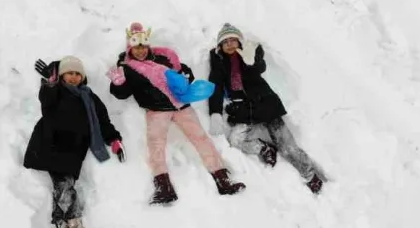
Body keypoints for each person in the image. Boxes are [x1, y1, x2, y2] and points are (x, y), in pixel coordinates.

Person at [107, 22, 245, 205]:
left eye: (143, 47)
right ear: (130, 49)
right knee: (156, 146)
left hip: (181, 106)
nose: (140, 51)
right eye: (136, 48)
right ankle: (164, 187)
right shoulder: (128, 68)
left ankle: (222, 179)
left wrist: (186, 77)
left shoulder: (164, 58)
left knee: (201, 138)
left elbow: (184, 74)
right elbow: (122, 94)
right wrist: (118, 84)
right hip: (156, 111)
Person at [23, 55, 125, 228]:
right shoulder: (57, 91)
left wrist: (114, 140)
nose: (74, 77)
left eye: (78, 73)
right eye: (69, 73)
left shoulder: (89, 96)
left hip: (74, 148)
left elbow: (103, 120)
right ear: (61, 75)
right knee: (63, 185)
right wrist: (50, 85)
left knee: (67, 184)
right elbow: (46, 103)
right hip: (51, 142)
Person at [207, 23, 326, 194]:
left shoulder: (251, 52)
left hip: (266, 104)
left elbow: (259, 68)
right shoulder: (219, 63)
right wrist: (215, 112)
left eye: (234, 40)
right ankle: (264, 148)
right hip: (243, 110)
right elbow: (216, 87)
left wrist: (250, 61)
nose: (230, 44)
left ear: (240, 41)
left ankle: (310, 176)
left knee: (287, 146)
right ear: (220, 46)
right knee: (236, 140)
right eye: (226, 42)